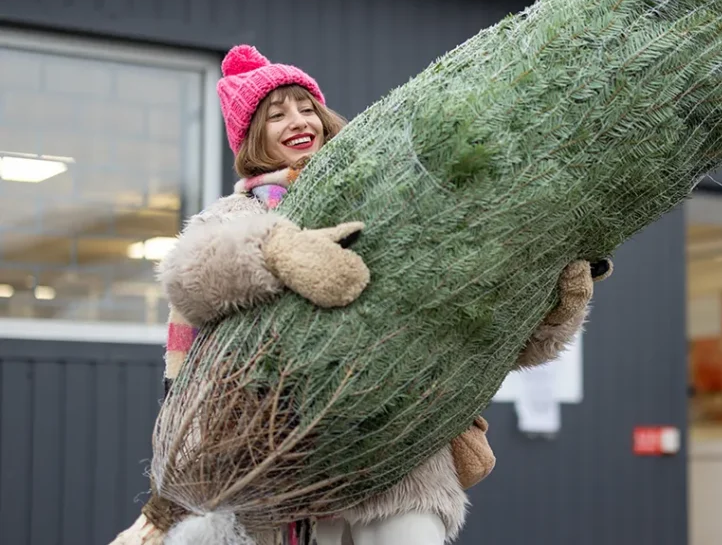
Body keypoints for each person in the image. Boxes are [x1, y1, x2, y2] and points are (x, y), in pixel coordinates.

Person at [157, 45, 611, 545]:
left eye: (307, 108)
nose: (298, 120)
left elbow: (476, 325)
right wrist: (278, 248)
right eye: (277, 114)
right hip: (293, 461)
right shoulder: (236, 215)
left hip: (402, 457)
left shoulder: (389, 201)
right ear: (250, 136)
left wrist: (557, 309)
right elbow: (192, 275)